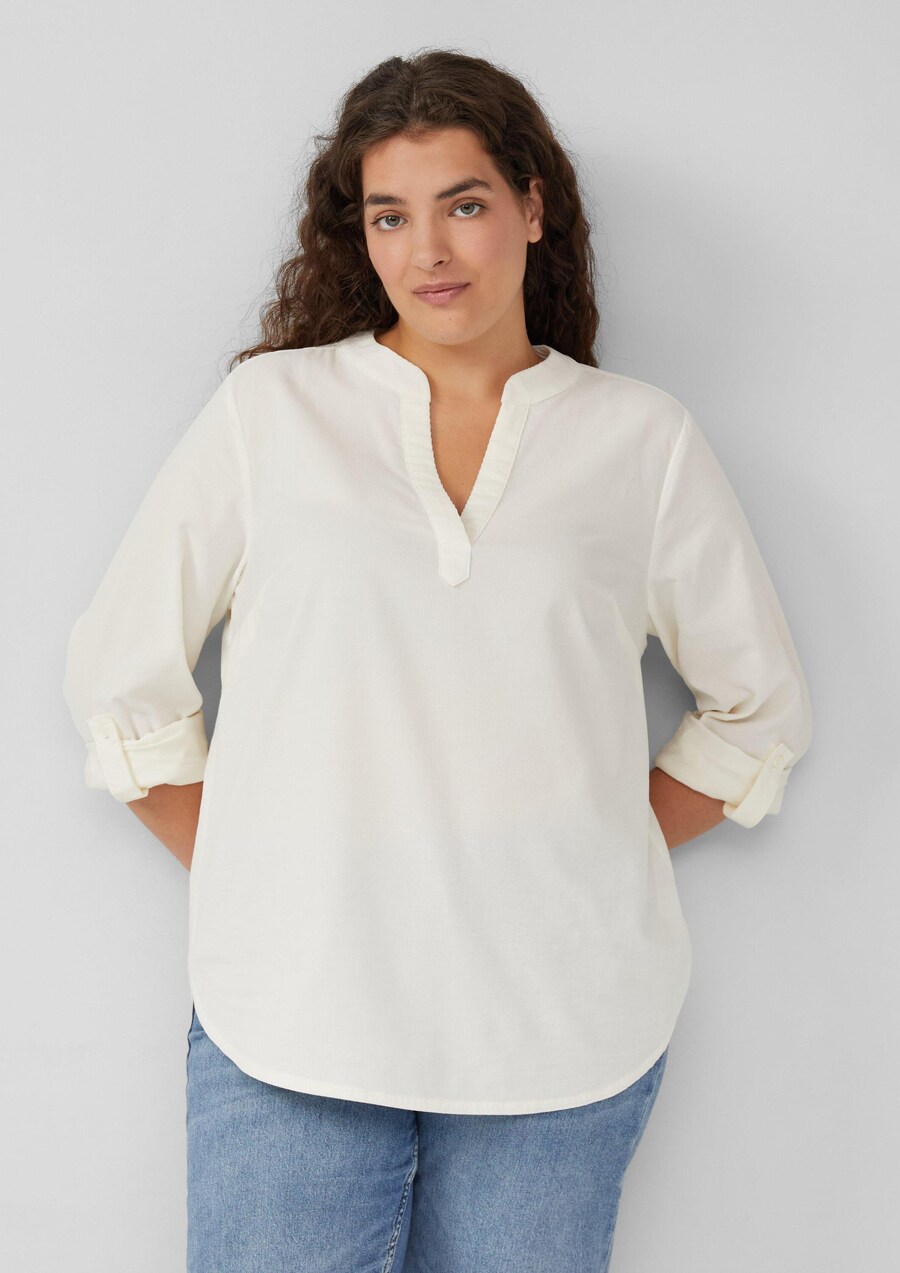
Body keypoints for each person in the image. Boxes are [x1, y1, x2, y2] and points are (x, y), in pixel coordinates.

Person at [62, 48, 813, 1273]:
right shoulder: (271, 416)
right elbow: (118, 680)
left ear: (533, 206)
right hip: (294, 1019)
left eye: (463, 204)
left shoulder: (642, 442)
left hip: (559, 1028)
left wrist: (575, 849)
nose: (429, 251)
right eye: (390, 215)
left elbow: (758, 709)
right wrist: (275, 866)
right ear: (358, 235)